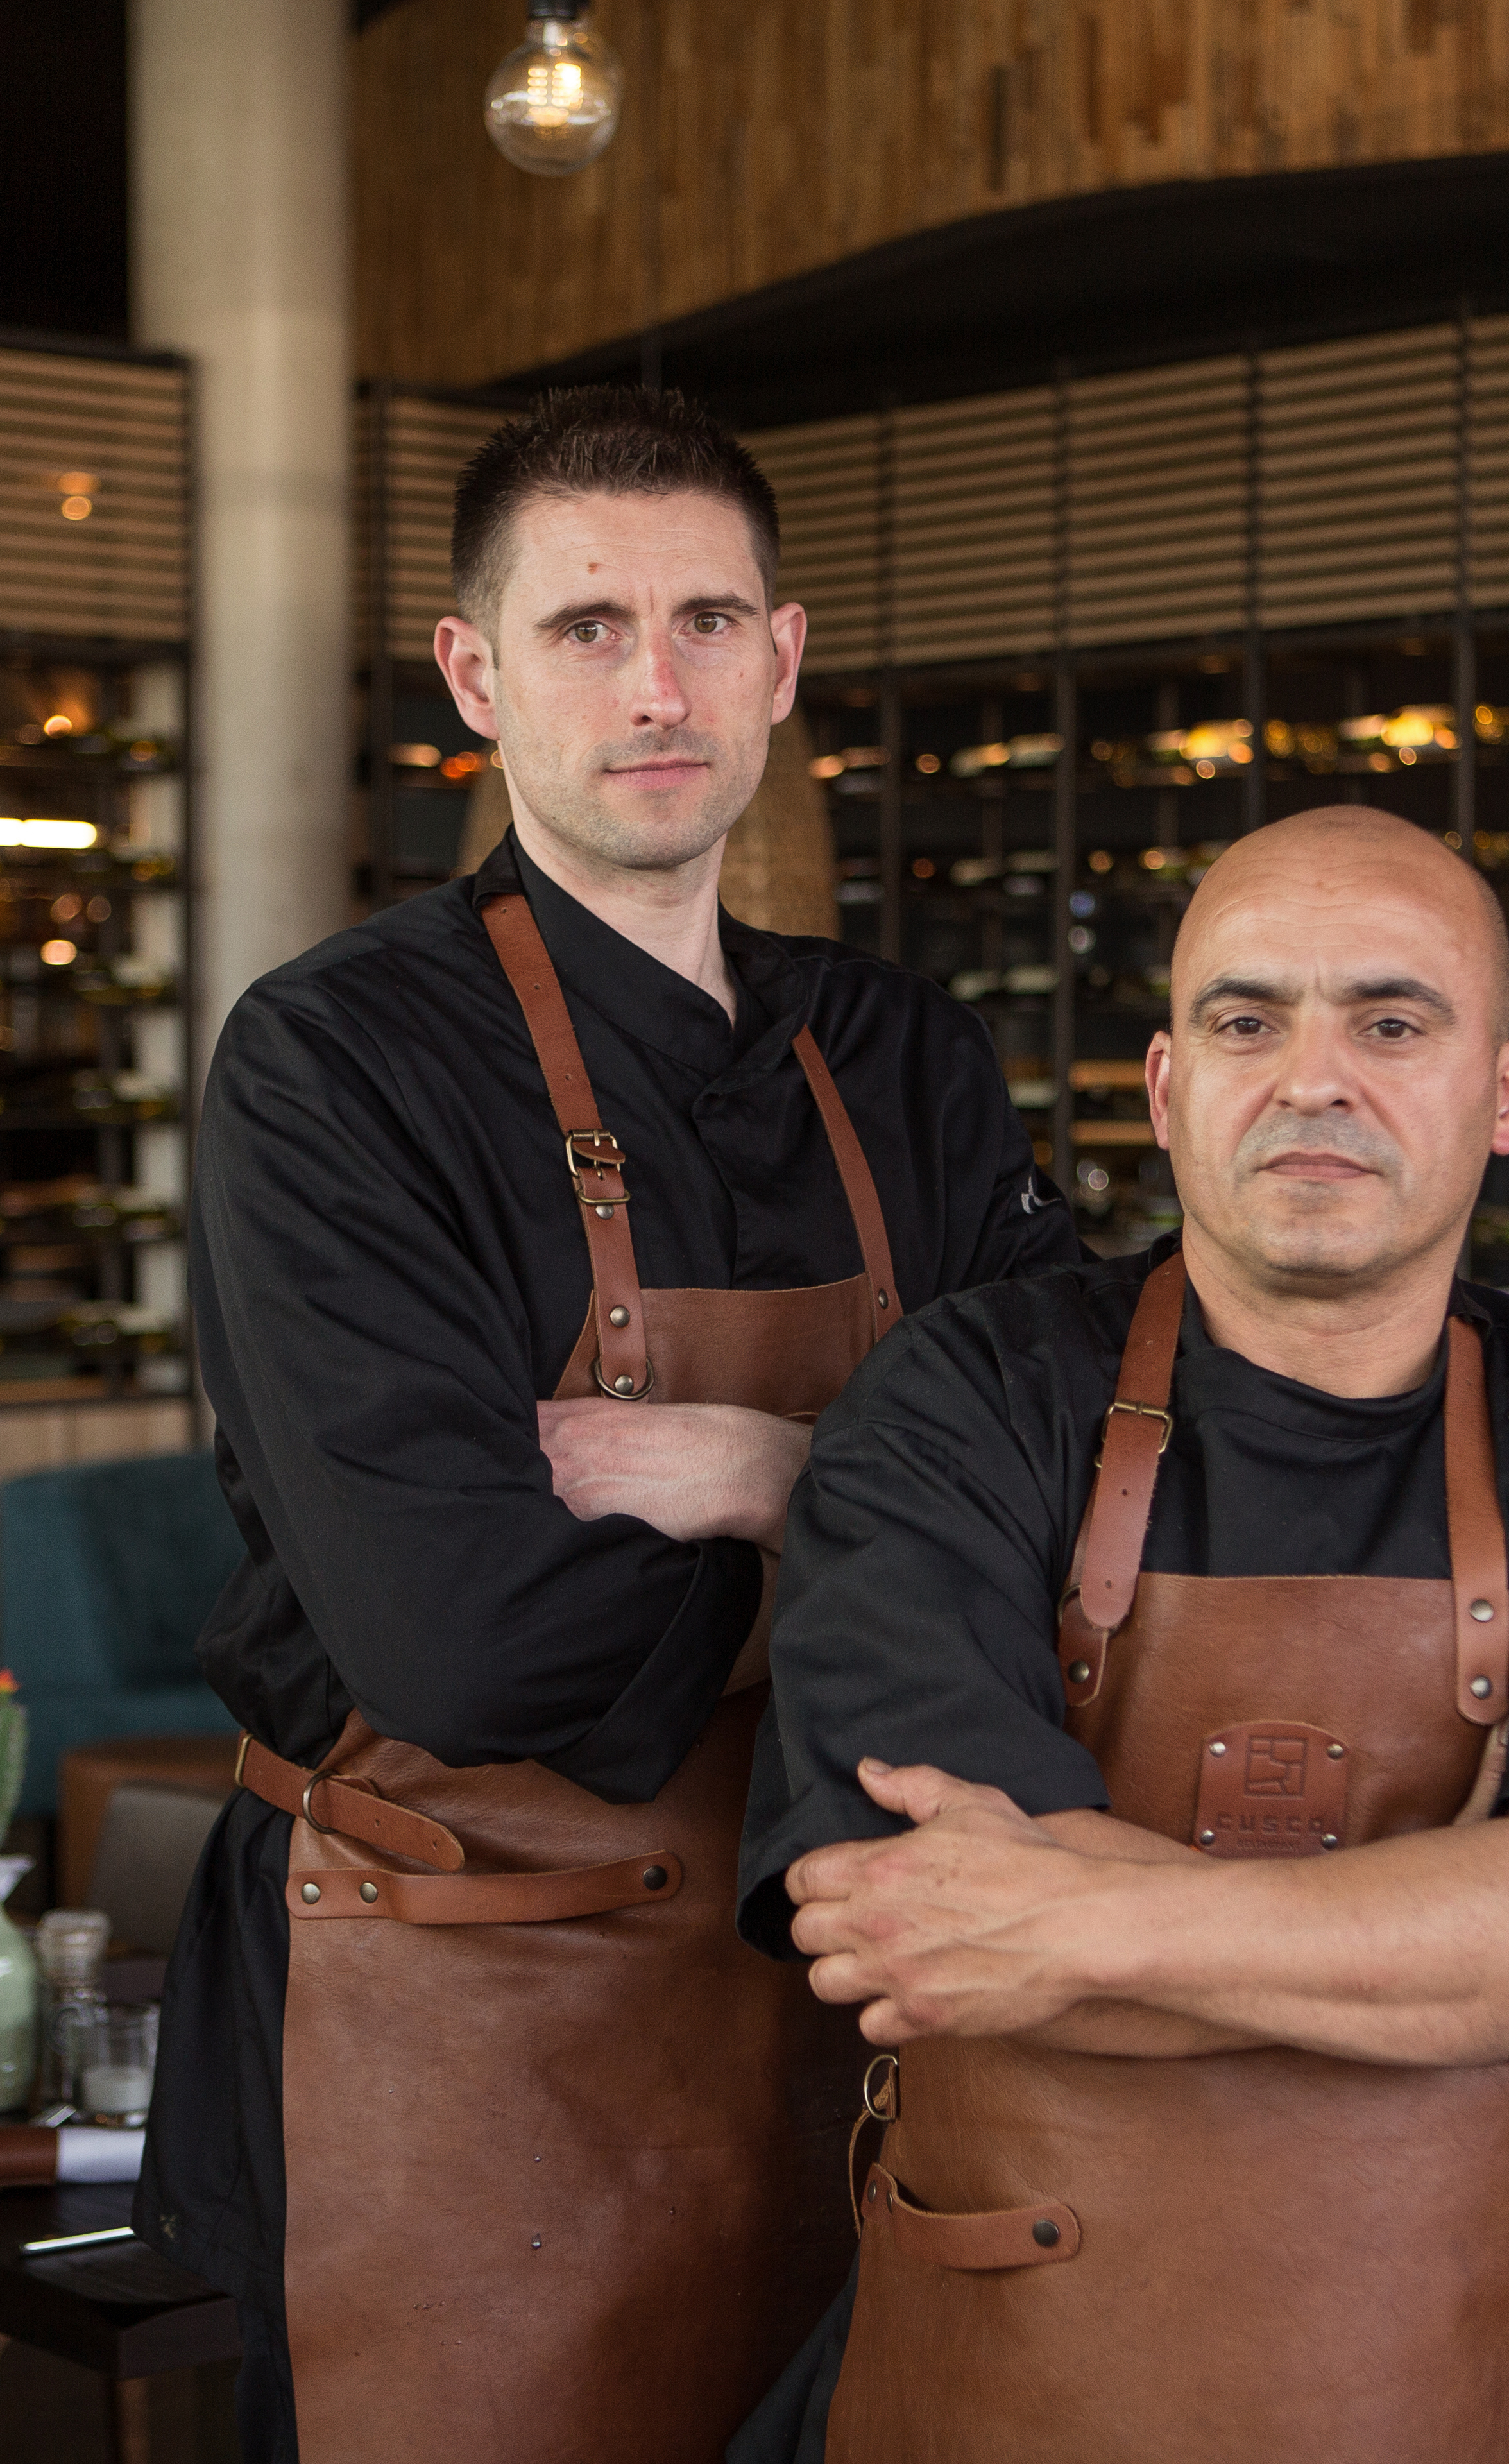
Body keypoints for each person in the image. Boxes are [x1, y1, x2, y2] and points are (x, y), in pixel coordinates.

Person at [134, 386, 1084, 2464]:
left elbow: (1093, 1524)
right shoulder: (333, 1070)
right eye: (585, 629)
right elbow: (465, 1644)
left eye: (705, 622)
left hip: (861, 2020)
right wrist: (895, 1554)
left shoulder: (905, 1058)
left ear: (783, 660)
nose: (656, 685)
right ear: (476, 676)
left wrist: (767, 1476)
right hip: (466, 2012)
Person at [728, 806, 1509, 2463]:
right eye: (1248, 1021)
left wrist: (1077, 1925)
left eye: (1391, 1021)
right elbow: (919, 1930)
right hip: (1000, 2400)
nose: (1313, 1077)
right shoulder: (964, 1405)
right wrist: (1468, 1952)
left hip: (1457, 2393)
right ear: (1170, 1093)